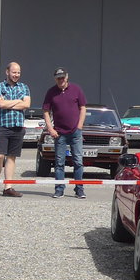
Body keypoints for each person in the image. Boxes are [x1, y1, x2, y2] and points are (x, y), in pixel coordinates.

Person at [42, 67, 87, 199]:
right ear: (55, 79)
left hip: (75, 132)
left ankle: (79, 189)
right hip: (59, 133)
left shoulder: (76, 89)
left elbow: (83, 107)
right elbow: (45, 111)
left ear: (67, 77)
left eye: (62, 77)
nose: (61, 80)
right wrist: (50, 129)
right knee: (59, 162)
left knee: (78, 161)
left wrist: (80, 126)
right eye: (58, 78)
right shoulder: (51, 92)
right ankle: (59, 189)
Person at [0, 61, 31, 197]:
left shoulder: (24, 87)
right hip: (3, 126)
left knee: (11, 157)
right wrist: (18, 102)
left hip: (18, 126)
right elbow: (0, 104)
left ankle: (8, 187)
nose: (16, 75)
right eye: (14, 72)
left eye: (18, 72)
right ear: (7, 72)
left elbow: (26, 104)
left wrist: (11, 103)